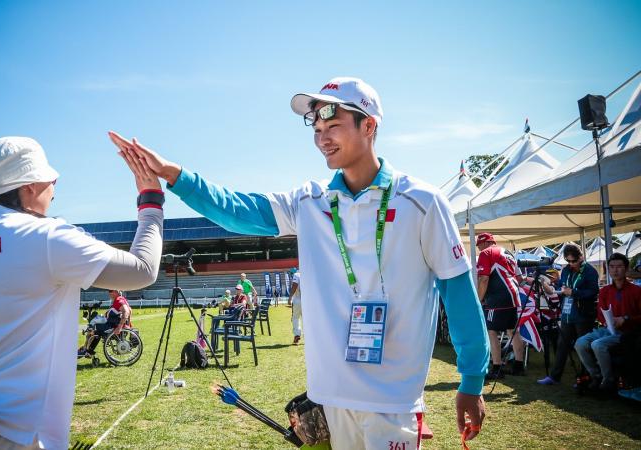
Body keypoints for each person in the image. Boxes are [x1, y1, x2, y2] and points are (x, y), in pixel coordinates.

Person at [109, 76, 489, 448]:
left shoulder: (422, 201)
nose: (322, 137)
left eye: (334, 125)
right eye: (317, 127)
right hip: (328, 400)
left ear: (369, 125)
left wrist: (471, 379)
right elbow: (237, 208)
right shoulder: (309, 201)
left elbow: (458, 293)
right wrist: (175, 176)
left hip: (393, 402)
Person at [0, 136, 164, 450]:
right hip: (19, 433)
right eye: (50, 179)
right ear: (28, 186)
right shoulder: (44, 236)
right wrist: (151, 200)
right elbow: (143, 270)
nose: (55, 185)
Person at [574, 253, 641, 392]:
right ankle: (596, 376)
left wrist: (625, 318)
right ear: (608, 269)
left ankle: (608, 380)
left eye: (619, 267)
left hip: (627, 332)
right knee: (580, 343)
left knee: (598, 345)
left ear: (626, 268)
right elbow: (600, 313)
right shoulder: (605, 290)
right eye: (612, 267)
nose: (615, 270)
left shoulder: (636, 290)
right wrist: (606, 321)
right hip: (607, 329)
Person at [538, 243, 599, 386]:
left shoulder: (590, 271)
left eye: (574, 261)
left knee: (583, 346)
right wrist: (553, 288)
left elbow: (593, 292)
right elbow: (561, 287)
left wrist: (574, 292)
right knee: (562, 345)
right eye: (568, 261)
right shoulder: (566, 270)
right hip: (567, 314)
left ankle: (586, 378)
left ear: (581, 257)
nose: (571, 264)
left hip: (583, 315)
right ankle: (554, 377)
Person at [475, 233, 526, 378]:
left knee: (491, 332)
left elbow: (484, 279)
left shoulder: (486, 253)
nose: (479, 249)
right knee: (513, 331)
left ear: (485, 243)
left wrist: (479, 300)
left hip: (498, 298)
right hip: (513, 295)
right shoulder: (508, 252)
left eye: (479, 245)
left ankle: (497, 368)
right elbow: (520, 278)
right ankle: (519, 366)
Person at [77, 289, 133, 357]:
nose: (109, 293)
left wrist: (120, 326)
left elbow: (126, 311)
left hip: (112, 326)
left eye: (110, 291)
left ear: (117, 291)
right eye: (108, 291)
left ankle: (86, 350)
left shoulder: (119, 300)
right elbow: (130, 310)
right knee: (94, 330)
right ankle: (87, 350)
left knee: (94, 330)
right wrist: (128, 323)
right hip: (111, 324)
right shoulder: (120, 299)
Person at [287, 267, 302, 345]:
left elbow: (294, 285)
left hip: (298, 299)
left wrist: (290, 297)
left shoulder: (296, 274)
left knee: (295, 318)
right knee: (307, 319)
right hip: (308, 301)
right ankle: (310, 337)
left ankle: (297, 335)